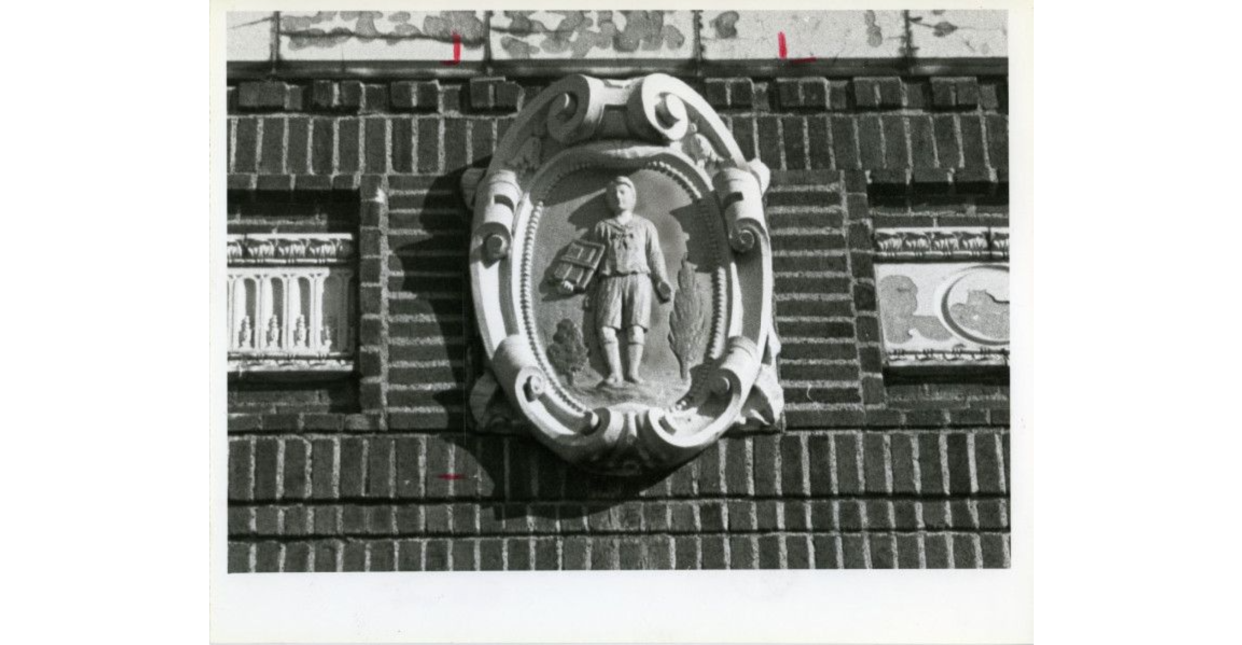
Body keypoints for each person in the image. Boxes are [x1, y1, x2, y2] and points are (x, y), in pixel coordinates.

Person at [584, 176, 672, 386]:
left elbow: (655, 255)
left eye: (623, 192)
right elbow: (591, 261)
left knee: (635, 327)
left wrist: (661, 280)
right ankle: (614, 373)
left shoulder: (645, 226)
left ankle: (632, 372)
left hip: (638, 279)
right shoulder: (602, 227)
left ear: (633, 197)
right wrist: (587, 288)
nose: (618, 196)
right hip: (610, 280)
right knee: (605, 327)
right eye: (613, 194)